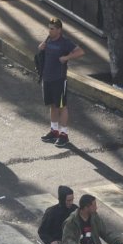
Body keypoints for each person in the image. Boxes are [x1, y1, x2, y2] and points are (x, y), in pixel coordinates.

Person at [38, 17, 85, 148]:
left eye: (52, 29)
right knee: (53, 105)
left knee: (62, 106)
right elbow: (42, 52)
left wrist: (66, 57)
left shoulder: (64, 42)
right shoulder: (48, 39)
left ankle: (64, 134)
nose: (49, 31)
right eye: (49, 28)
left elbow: (81, 52)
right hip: (47, 78)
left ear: (59, 30)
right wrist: (41, 48)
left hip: (59, 79)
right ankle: (54, 131)